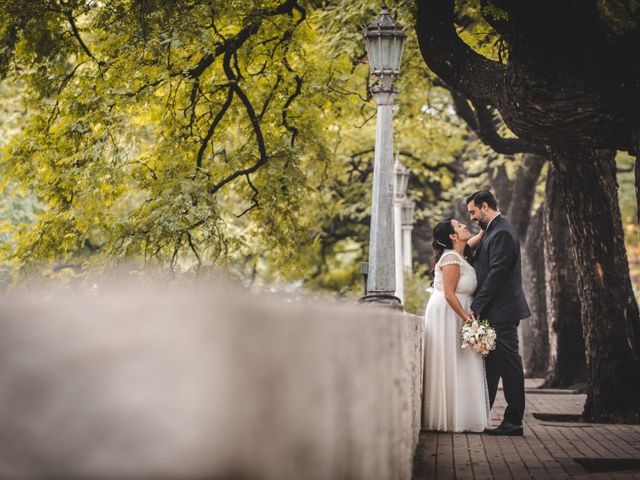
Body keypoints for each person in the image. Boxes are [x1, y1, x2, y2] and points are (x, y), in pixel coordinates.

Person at [466, 190, 531, 436]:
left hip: (502, 313)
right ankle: (484, 416)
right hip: (493, 313)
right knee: (491, 367)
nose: (471, 217)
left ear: (485, 206)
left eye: (473, 211)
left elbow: (496, 276)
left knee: (510, 366)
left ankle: (513, 422)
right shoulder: (491, 230)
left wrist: (476, 307)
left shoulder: (502, 231)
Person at [422, 217, 489, 432]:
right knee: (452, 360)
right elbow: (450, 295)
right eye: (459, 226)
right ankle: (449, 416)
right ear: (452, 236)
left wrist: (488, 225)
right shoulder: (451, 257)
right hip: (449, 312)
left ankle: (461, 415)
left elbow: (475, 238)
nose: (464, 226)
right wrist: (468, 320)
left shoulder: (459, 252)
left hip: (457, 312)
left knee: (460, 362)